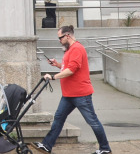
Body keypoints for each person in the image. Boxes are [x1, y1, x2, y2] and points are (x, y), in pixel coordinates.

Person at [36, 25, 111, 154]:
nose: (59, 40)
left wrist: (53, 77)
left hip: (80, 94)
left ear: (67, 36)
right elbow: (67, 67)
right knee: (59, 117)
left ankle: (105, 148)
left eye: (60, 37)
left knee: (92, 121)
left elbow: (71, 71)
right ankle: (47, 145)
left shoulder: (77, 49)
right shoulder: (70, 50)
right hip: (69, 94)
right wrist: (58, 65)